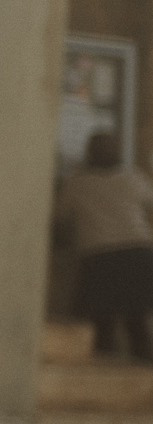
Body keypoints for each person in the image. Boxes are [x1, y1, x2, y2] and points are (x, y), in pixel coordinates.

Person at [56, 131, 153, 361]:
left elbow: (59, 217)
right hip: (138, 253)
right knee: (136, 322)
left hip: (99, 257)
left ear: (88, 153)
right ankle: (144, 377)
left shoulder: (76, 183)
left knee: (102, 325)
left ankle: (105, 377)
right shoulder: (132, 178)